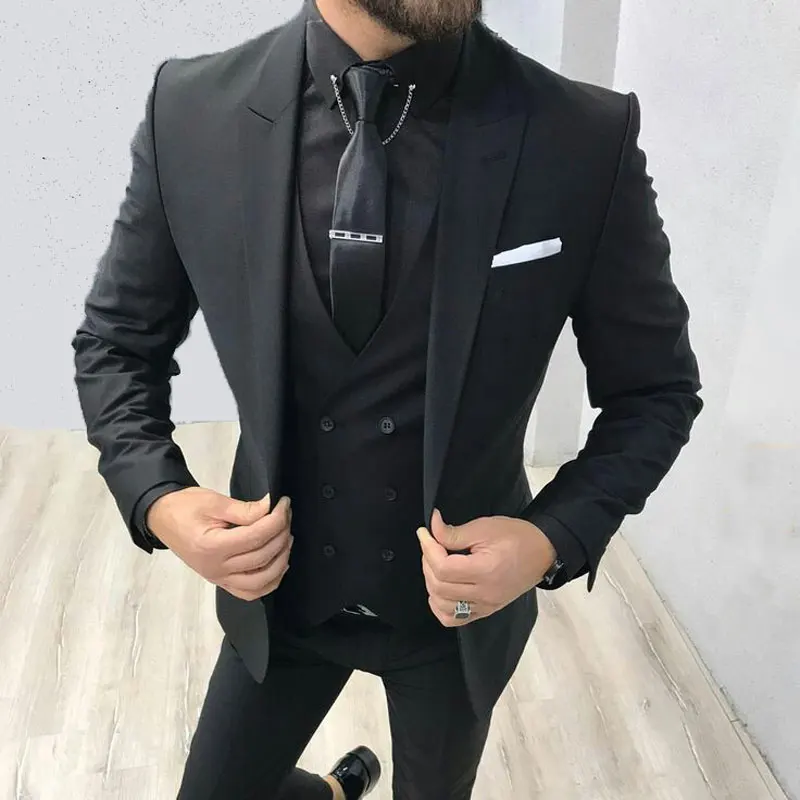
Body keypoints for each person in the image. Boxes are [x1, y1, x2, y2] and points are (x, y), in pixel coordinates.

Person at [72, 0, 703, 796]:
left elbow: (656, 390)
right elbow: (116, 344)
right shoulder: (191, 111)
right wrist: (160, 498)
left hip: (455, 618)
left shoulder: (580, 136)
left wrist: (551, 538)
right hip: (279, 597)